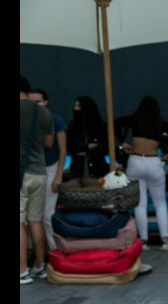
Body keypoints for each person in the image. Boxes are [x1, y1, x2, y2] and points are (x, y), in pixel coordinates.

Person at [115, 95, 168, 251]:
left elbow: (114, 123)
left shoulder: (134, 119)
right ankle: (166, 241)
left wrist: (122, 142)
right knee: (160, 204)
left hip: (135, 161)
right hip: (154, 162)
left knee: (140, 204)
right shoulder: (160, 123)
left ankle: (144, 242)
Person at [20, 75, 54, 285]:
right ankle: (39, 266)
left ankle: (22, 271)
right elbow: (48, 143)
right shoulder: (44, 112)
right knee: (35, 220)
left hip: (20, 174)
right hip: (40, 172)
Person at [29, 88, 67, 252]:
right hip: (31, 170)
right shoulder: (26, 120)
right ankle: (34, 252)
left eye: (38, 101)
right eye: (31, 102)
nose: (34, 105)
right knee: (30, 216)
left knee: (47, 215)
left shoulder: (55, 120)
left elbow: (63, 149)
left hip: (50, 169)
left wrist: (59, 175)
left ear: (46, 102)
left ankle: (54, 251)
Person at [66, 96, 109, 180]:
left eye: (78, 106)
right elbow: (70, 146)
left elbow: (105, 147)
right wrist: (87, 146)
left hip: (97, 169)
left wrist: (85, 151)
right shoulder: (72, 126)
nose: (75, 109)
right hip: (77, 169)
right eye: (75, 106)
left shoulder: (100, 126)